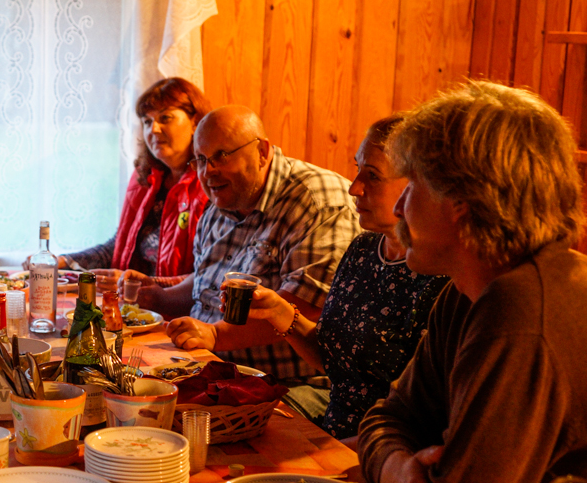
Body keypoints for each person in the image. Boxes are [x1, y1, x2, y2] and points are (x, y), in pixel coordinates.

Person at [357, 80, 587, 483]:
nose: (401, 206)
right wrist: (399, 473)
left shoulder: (523, 309)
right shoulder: (468, 293)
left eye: (414, 186)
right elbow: (386, 418)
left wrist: (403, 476)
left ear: (463, 203)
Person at [171, 116, 448, 437]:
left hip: (377, 441)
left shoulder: (440, 276)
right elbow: (333, 358)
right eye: (357, 169)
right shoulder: (364, 249)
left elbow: (426, 413)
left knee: (207, 432)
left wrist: (371, 458)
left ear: (418, 184)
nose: (354, 187)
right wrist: (280, 313)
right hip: (343, 426)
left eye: (371, 176)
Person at [146, 105, 360, 380]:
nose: (208, 171)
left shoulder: (317, 199)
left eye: (220, 156)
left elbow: (307, 306)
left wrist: (214, 335)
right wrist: (156, 295)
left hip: (284, 385)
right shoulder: (221, 202)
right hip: (208, 368)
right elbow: (205, 284)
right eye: (200, 159)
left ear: (262, 153)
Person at [59, 77, 212, 277]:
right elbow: (120, 245)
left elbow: (208, 276)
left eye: (165, 118)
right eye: (147, 122)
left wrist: (138, 285)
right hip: (136, 304)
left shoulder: (210, 184)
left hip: (179, 307)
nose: (153, 130)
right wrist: (64, 261)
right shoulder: (145, 178)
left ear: (195, 122)